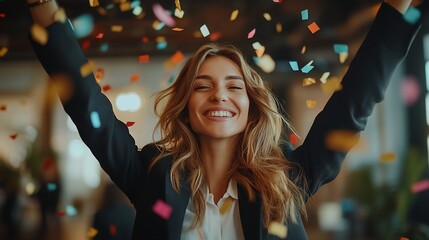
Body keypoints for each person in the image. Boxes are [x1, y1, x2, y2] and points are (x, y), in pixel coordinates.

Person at [26, 0, 422, 239]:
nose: (219, 95)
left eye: (234, 87)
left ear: (251, 104)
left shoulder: (289, 175)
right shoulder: (151, 174)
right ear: (185, 104)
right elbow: (87, 106)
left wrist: (397, 8)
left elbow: (354, 100)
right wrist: (43, 8)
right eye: (203, 86)